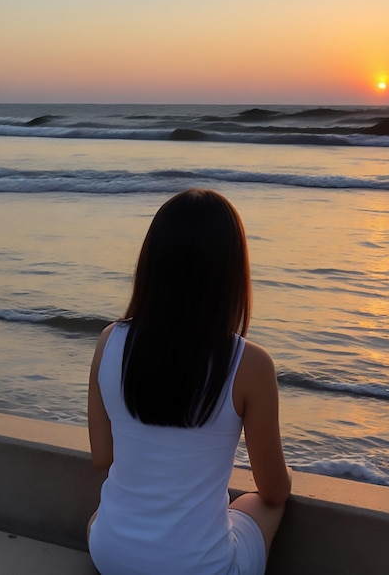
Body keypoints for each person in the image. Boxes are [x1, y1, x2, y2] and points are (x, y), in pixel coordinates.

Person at [87, 188, 291, 575]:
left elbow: (103, 456)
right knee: (255, 503)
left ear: (151, 264)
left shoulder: (109, 340)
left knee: (102, 517)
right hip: (203, 568)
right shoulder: (250, 363)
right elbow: (274, 490)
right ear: (232, 273)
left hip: (110, 555)